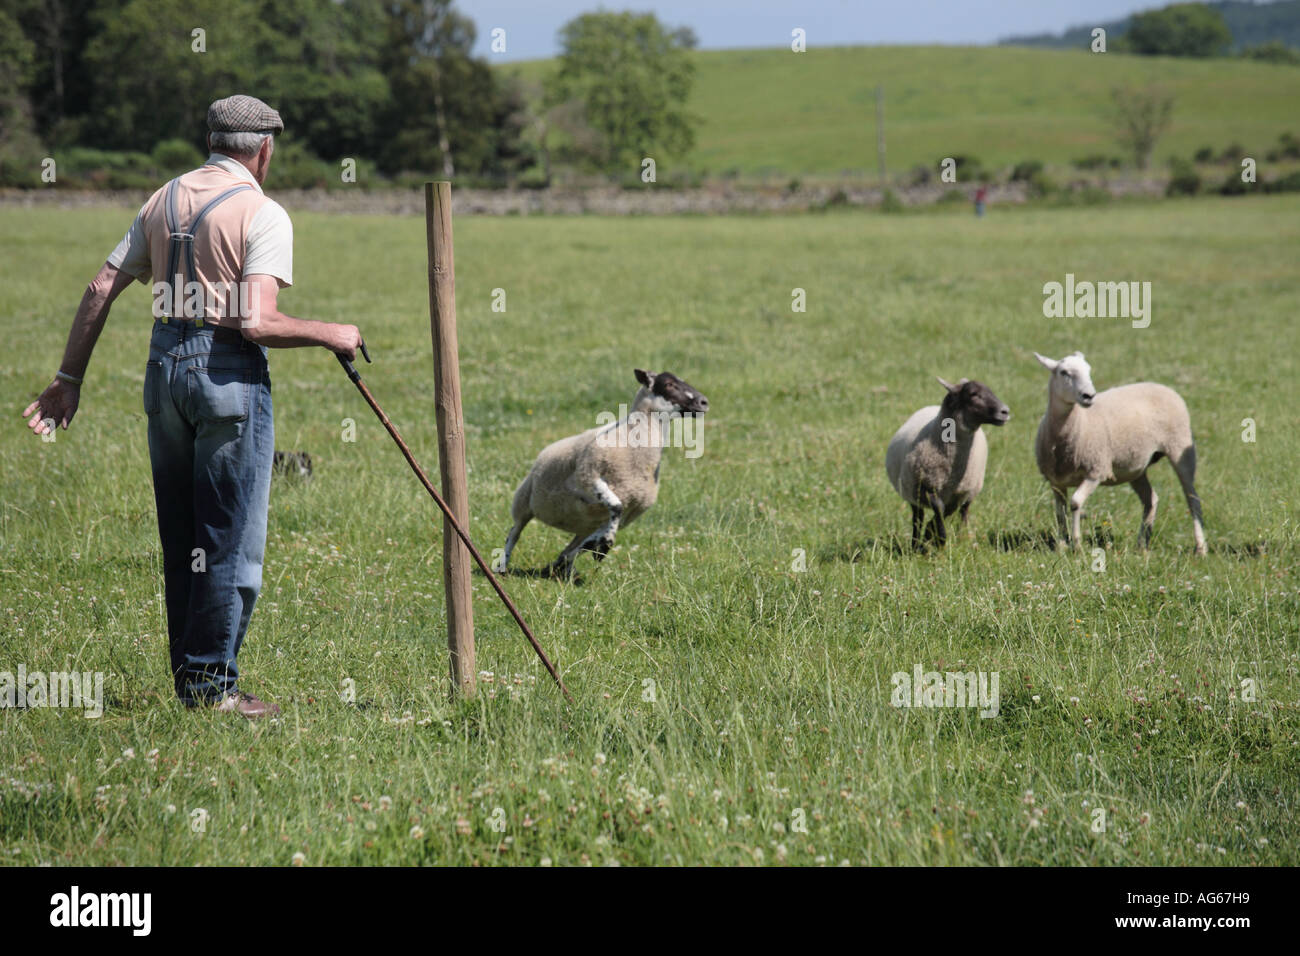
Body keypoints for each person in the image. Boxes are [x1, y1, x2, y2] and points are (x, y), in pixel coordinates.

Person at [21, 94, 363, 718]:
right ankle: (213, 689)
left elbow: (101, 286)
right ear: (264, 149)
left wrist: (68, 377)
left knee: (184, 538)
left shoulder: (163, 198)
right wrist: (334, 332)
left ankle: (195, 682)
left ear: (212, 142)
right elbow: (256, 322)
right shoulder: (263, 212)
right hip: (225, 375)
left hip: (162, 370)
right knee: (230, 540)